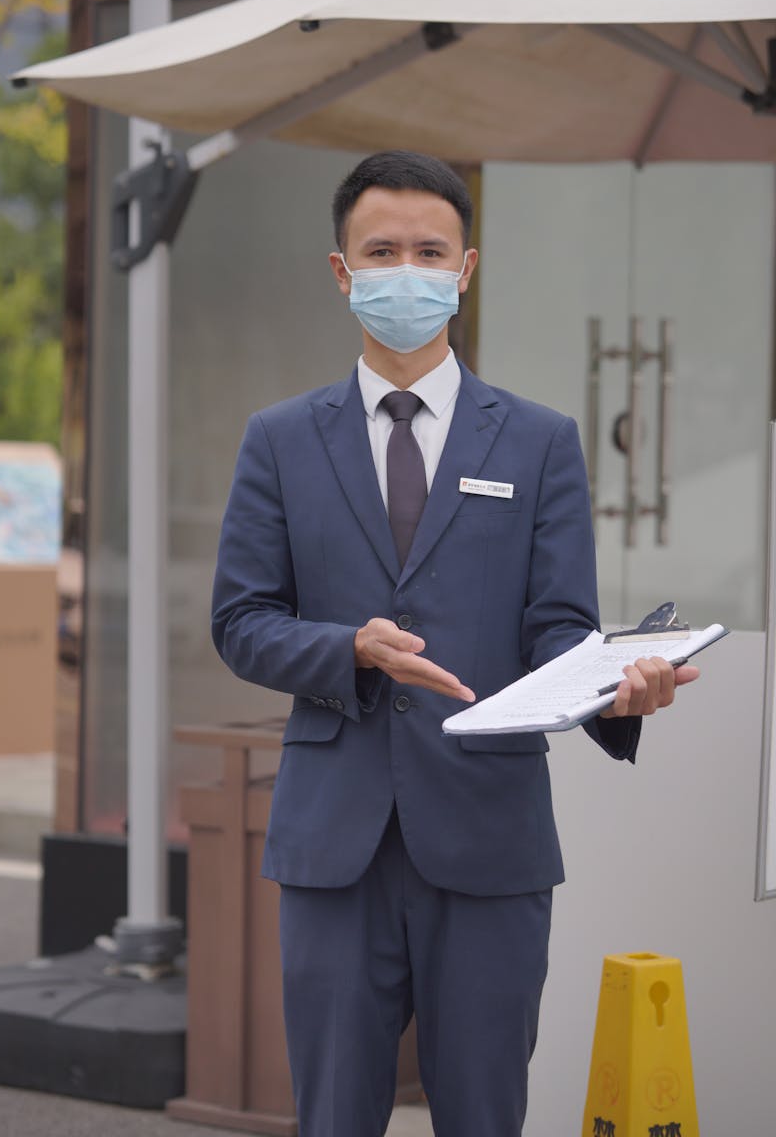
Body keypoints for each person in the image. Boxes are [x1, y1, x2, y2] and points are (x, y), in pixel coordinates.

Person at [211, 150, 699, 1137]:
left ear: (464, 270)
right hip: (332, 845)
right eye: (379, 250)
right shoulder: (278, 439)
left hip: (488, 840)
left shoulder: (538, 441)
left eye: (427, 251)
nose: (406, 270)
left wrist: (618, 691)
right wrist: (349, 648)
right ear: (342, 272)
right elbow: (240, 620)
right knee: (334, 1116)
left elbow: (558, 631)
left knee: (482, 1114)